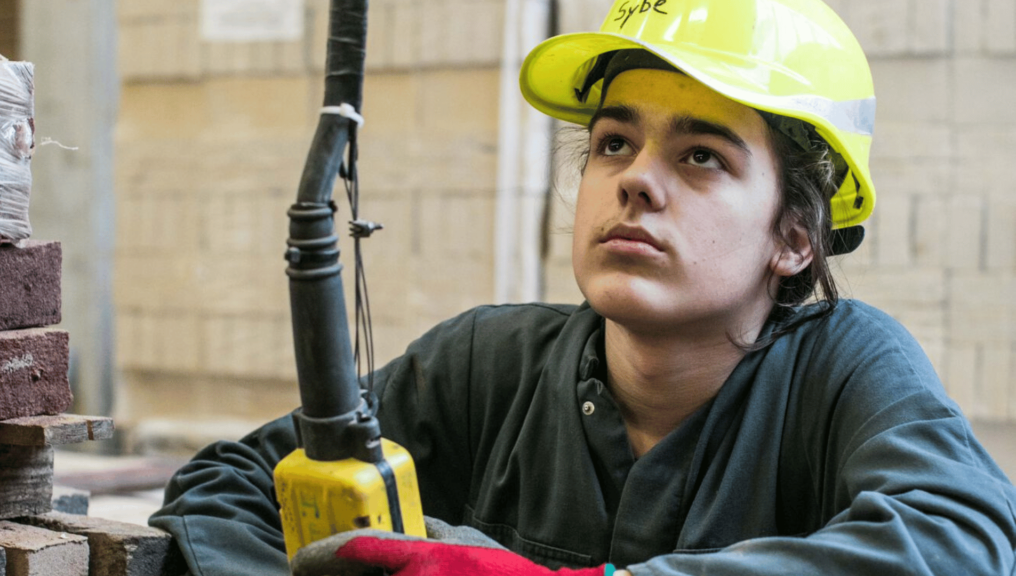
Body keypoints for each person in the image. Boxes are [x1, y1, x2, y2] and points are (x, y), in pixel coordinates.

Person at [150, 0, 1016, 574]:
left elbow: (967, 543)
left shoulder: (842, 370)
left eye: (701, 155)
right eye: (612, 144)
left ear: (794, 237)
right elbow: (225, 486)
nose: (636, 181)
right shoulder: (488, 364)